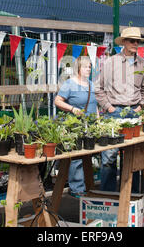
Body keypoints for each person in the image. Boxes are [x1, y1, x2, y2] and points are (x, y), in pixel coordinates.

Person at [95, 27, 144, 193]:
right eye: (132, 40)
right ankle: (109, 199)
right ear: (124, 42)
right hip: (114, 112)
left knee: (134, 160)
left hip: (134, 112)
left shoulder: (143, 63)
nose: (136, 43)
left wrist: (141, 106)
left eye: (138, 41)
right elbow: (98, 87)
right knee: (108, 159)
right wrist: (109, 108)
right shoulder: (111, 62)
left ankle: (133, 199)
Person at [55, 56, 98, 197]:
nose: (89, 69)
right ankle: (77, 188)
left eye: (90, 67)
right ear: (78, 68)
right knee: (77, 157)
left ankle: (88, 183)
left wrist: (97, 118)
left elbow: (94, 104)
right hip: (75, 126)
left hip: (91, 126)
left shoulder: (91, 84)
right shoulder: (69, 84)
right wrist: (72, 109)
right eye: (86, 67)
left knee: (88, 155)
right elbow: (58, 101)